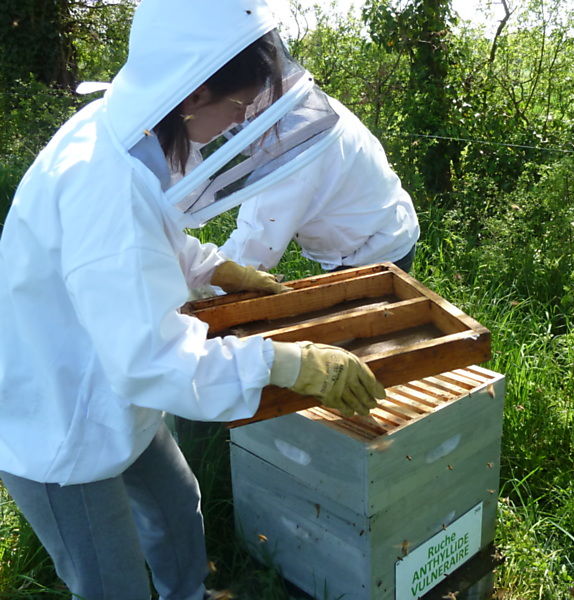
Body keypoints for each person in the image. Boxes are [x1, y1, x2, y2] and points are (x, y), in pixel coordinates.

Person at [0, 2, 385, 599]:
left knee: (177, 505)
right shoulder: (103, 189)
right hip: (61, 419)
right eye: (239, 106)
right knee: (111, 582)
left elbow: (154, 240)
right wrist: (291, 363)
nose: (240, 122)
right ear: (194, 92)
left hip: (108, 377)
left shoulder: (128, 131)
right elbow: (153, 360)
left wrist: (215, 266)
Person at [216, 48, 420, 275]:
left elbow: (256, 246)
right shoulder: (307, 112)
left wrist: (204, 284)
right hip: (381, 233)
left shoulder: (295, 146)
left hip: (375, 253)